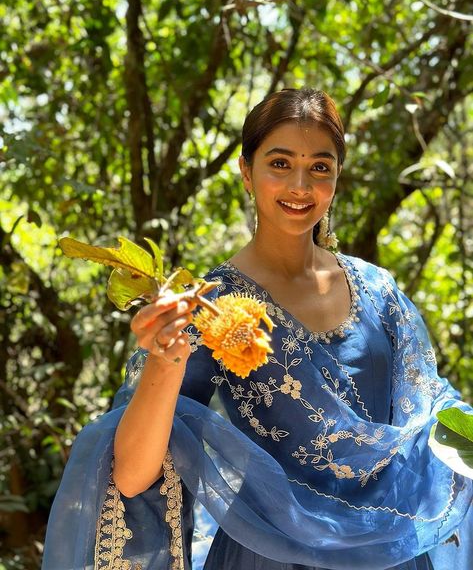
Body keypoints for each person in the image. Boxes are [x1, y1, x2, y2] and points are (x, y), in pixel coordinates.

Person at [42, 88, 472, 570]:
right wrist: (166, 360)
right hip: (269, 554)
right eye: (281, 164)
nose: (301, 187)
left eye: (320, 168)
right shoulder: (208, 305)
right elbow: (132, 475)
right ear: (247, 172)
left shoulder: (380, 291)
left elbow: (433, 419)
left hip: (387, 551)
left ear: (336, 178)